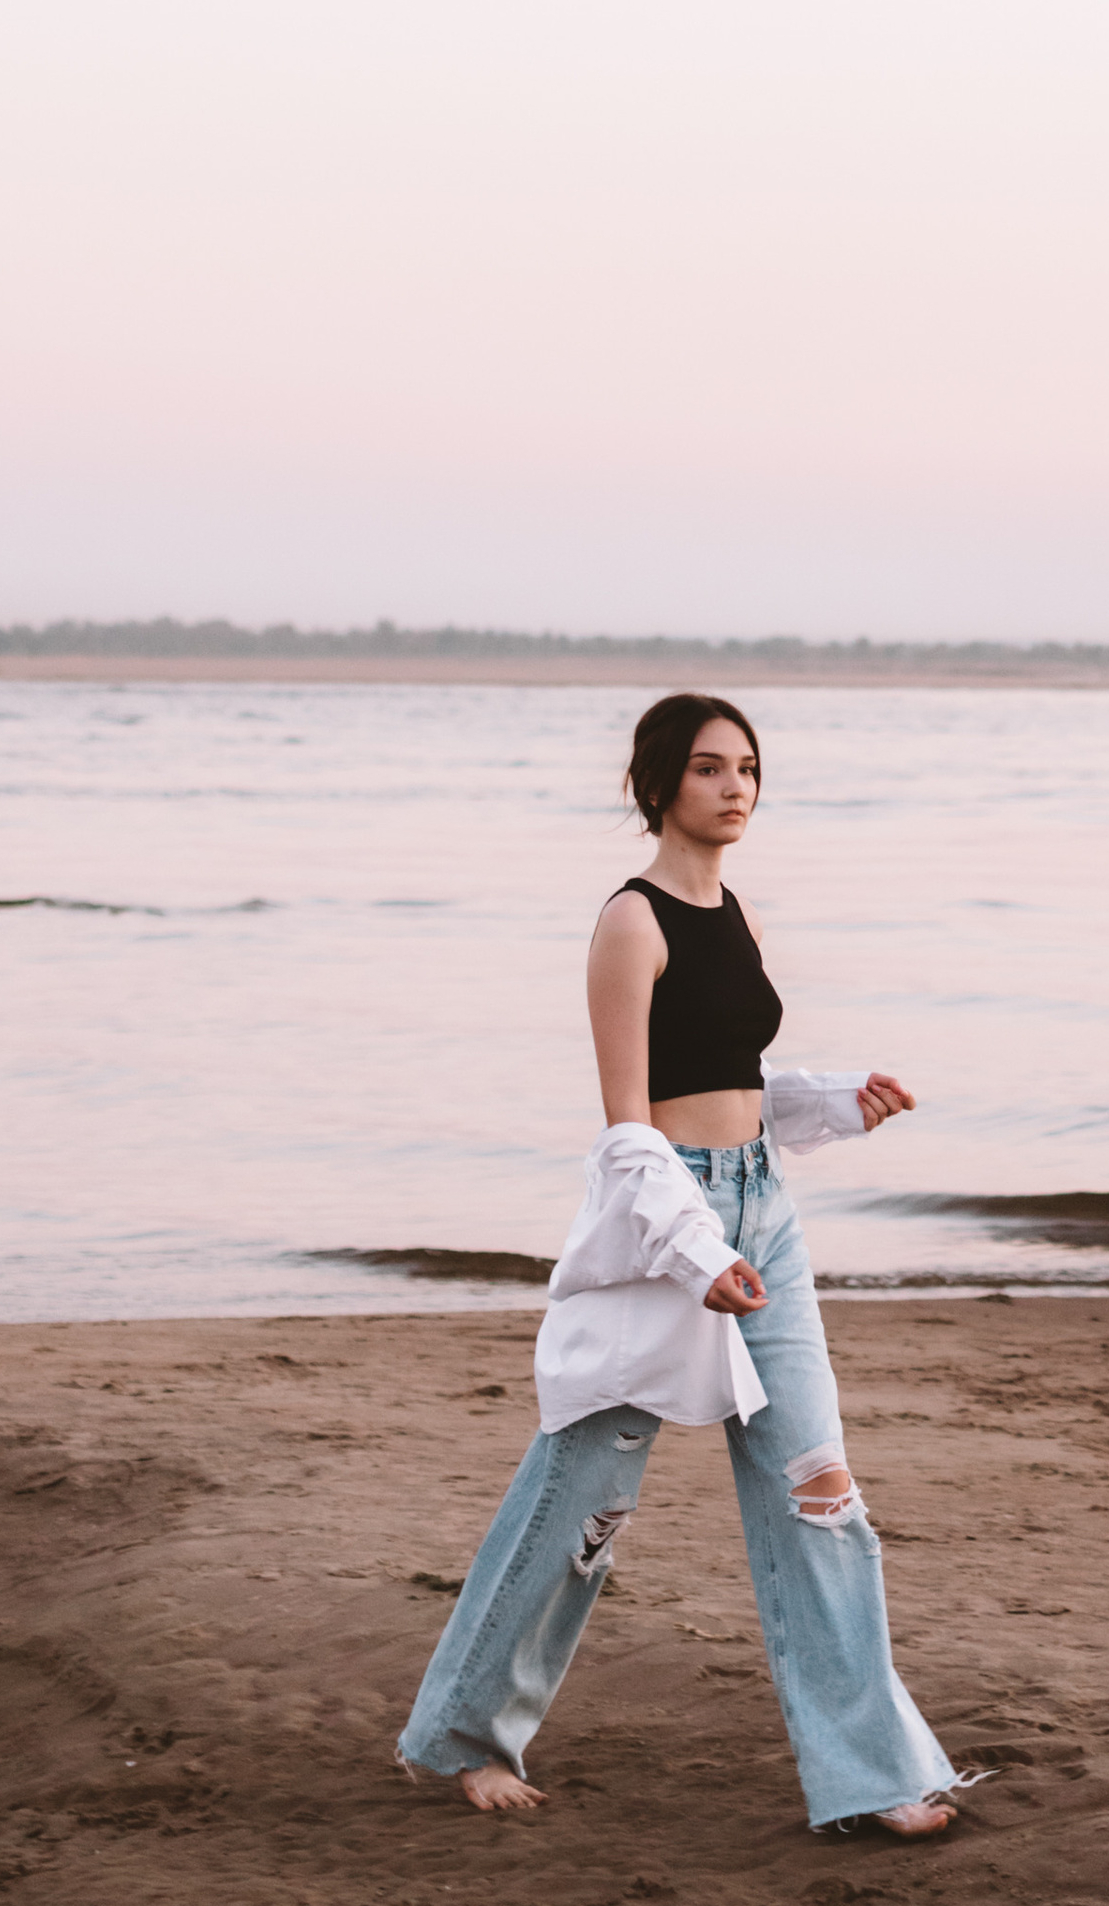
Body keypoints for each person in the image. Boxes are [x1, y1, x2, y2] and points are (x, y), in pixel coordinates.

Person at [397, 693, 964, 1838]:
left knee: (821, 1493)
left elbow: (734, 1074)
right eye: (710, 769)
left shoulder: (735, 911)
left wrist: (838, 1102)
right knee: (582, 1501)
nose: (735, 787)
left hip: (766, 1215)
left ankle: (872, 1777)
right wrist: (697, 1253)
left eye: (749, 767)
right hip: (668, 1232)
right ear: (659, 784)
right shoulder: (630, 924)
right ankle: (463, 1738)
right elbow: (628, 1128)